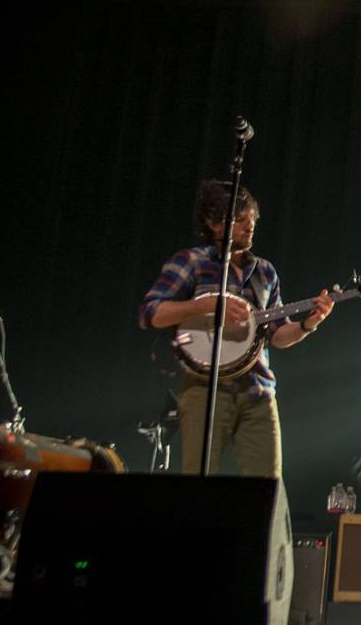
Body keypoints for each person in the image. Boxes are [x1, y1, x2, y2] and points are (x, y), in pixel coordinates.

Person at [139, 180, 331, 477]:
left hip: (259, 392)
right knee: (200, 480)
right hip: (205, 389)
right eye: (240, 219)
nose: (249, 225)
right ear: (213, 223)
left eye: (252, 218)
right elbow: (151, 313)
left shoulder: (265, 272)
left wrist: (308, 325)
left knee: (267, 487)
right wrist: (207, 305)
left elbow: (278, 336)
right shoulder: (192, 262)